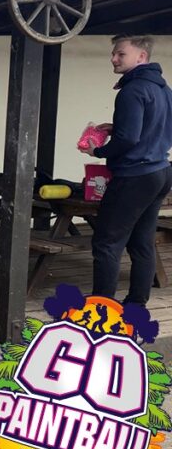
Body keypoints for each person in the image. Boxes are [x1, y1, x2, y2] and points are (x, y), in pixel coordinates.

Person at [81, 34, 172, 306]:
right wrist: (118, 128)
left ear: (141, 57)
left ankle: (102, 308)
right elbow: (156, 128)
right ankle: (136, 306)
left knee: (106, 243)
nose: (113, 59)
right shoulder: (164, 89)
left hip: (135, 176)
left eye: (120, 54)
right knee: (141, 242)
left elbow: (129, 139)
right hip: (161, 171)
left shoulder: (131, 90)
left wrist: (98, 152)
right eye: (113, 54)